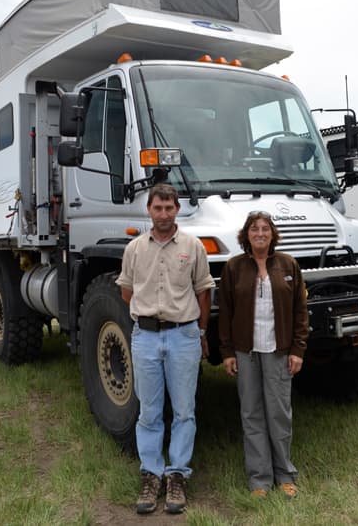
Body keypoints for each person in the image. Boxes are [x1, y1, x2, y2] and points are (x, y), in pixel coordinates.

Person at [116, 183, 215, 515]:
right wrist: (149, 313)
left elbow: (204, 291)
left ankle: (178, 475)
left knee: (185, 410)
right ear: (149, 210)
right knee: (149, 412)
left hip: (183, 336)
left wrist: (200, 331)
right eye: (157, 208)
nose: (163, 214)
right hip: (145, 337)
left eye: (169, 208)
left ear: (177, 209)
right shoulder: (133, 249)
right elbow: (127, 291)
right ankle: (151, 474)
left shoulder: (193, 246)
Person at [218, 211, 309, 500]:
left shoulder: (288, 264)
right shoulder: (234, 267)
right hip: (246, 353)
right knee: (252, 414)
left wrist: (297, 350)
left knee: (279, 414)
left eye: (265, 229)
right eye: (254, 229)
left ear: (272, 234)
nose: (260, 233)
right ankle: (259, 478)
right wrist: (228, 352)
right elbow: (226, 314)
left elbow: (300, 312)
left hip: (279, 351)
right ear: (246, 235)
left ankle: (285, 474)